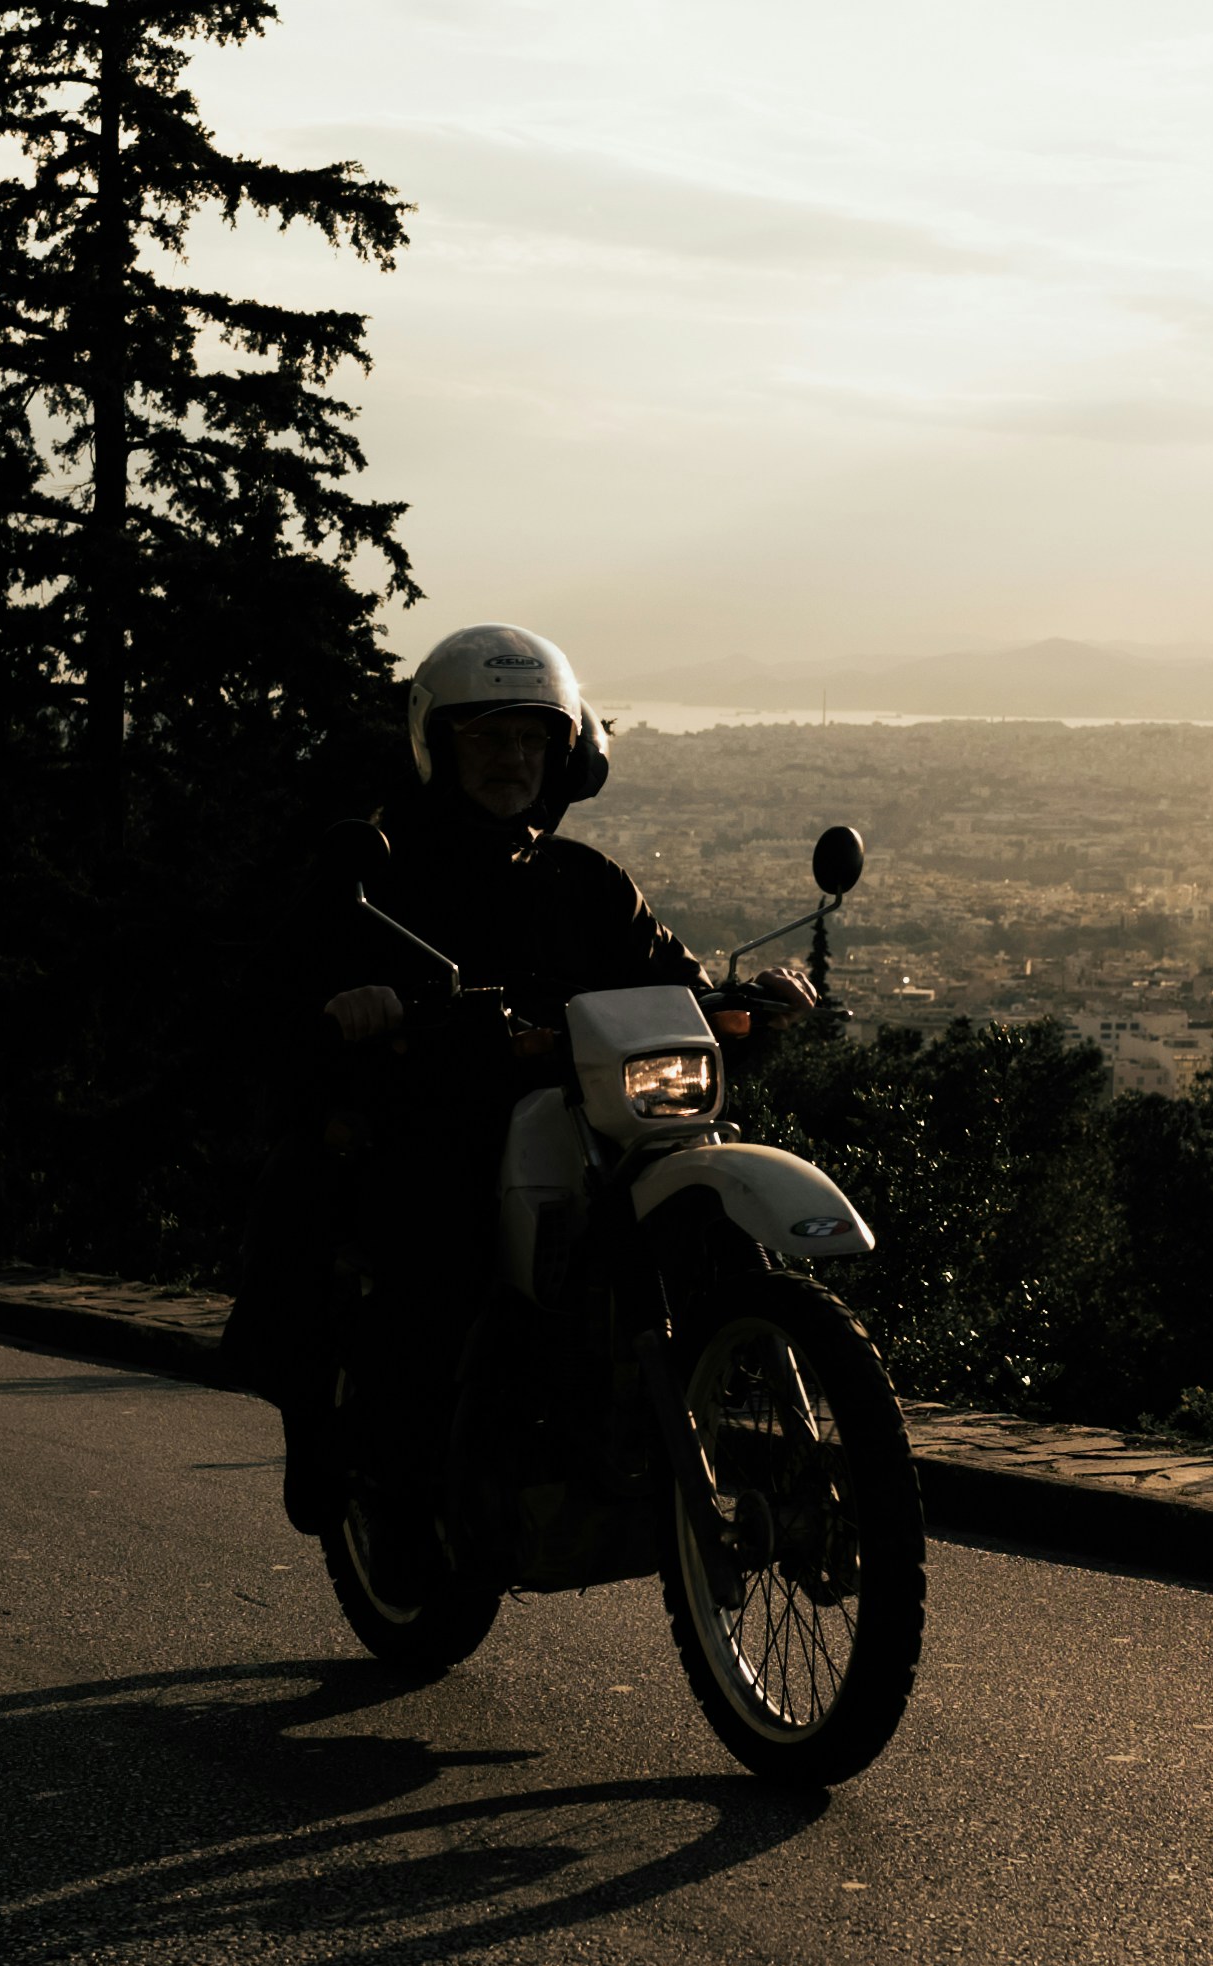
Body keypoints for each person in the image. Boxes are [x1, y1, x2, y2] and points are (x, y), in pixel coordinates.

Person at [238, 622, 803, 1529]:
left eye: (534, 736)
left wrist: (751, 1001)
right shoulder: (380, 874)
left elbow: (674, 978)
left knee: (695, 1187)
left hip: (585, 1123)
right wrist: (356, 1004)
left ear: (567, 750)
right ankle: (345, 1440)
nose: (514, 757)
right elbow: (288, 989)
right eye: (490, 735)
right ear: (440, 742)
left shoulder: (587, 880)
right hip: (441, 1115)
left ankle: (726, 1389)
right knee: (426, 1236)